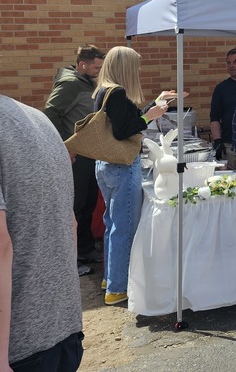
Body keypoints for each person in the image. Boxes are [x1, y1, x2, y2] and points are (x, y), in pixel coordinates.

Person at [0, 94, 84, 372]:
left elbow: (2, 246)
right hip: (65, 330)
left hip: (18, 347)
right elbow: (70, 223)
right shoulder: (39, 119)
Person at [92, 46, 176, 306]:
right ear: (126, 67)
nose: (139, 71)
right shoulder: (116, 92)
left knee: (113, 224)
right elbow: (124, 130)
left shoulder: (104, 90)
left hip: (106, 164)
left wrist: (154, 105)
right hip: (121, 164)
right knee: (124, 228)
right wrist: (149, 116)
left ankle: (110, 278)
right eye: (136, 66)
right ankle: (118, 287)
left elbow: (126, 121)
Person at [43, 44, 105, 273]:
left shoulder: (87, 81)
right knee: (75, 206)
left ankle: (86, 249)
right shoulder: (69, 84)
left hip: (89, 154)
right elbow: (50, 114)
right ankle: (70, 261)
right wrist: (64, 146)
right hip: (75, 156)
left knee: (88, 203)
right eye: (96, 67)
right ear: (82, 65)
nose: (99, 70)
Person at [209, 47, 236, 170]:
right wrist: (217, 140)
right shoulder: (221, 88)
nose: (231, 66)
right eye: (228, 63)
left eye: (235, 62)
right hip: (230, 144)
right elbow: (214, 117)